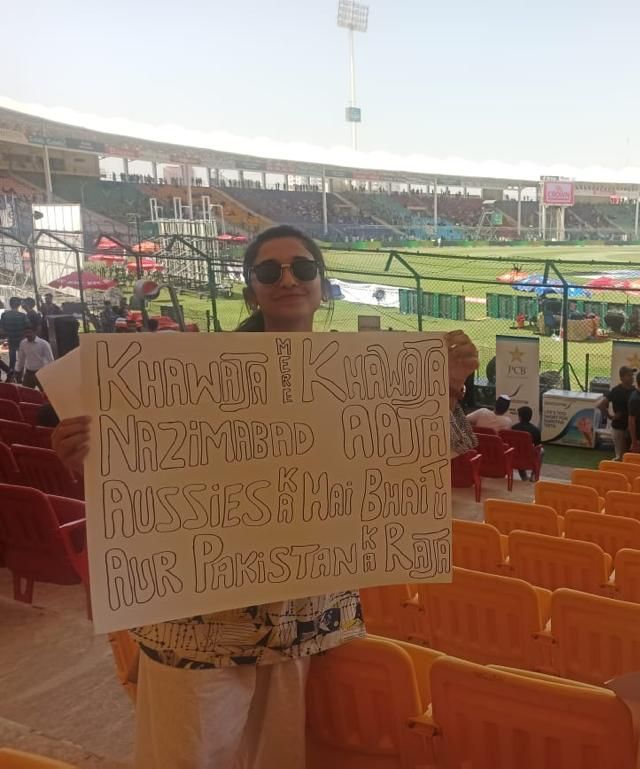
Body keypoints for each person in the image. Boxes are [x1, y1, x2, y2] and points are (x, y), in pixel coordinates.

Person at [51, 224, 479, 769]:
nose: (287, 280)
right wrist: (83, 455)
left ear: (322, 284)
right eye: (268, 271)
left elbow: (399, 468)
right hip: (197, 625)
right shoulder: (186, 370)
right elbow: (143, 476)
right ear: (251, 287)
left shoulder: (359, 374)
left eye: (302, 268)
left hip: (299, 618)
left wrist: (443, 390)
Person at [598, 366, 635, 460]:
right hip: (619, 427)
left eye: (632, 375)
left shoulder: (635, 391)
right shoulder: (616, 391)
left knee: (630, 455)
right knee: (621, 456)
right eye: (629, 375)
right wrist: (610, 417)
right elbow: (601, 405)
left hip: (631, 428)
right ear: (621, 377)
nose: (632, 377)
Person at [15, 325, 53, 389]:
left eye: (29, 332)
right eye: (26, 333)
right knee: (25, 393)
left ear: (35, 332)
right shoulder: (23, 343)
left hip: (41, 373)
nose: (28, 335)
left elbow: (51, 360)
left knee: (45, 393)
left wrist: (51, 373)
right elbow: (21, 359)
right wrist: (18, 370)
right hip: (29, 373)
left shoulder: (44, 344)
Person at [511, 405, 543, 480]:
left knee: (518, 450)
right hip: (529, 458)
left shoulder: (513, 428)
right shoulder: (535, 430)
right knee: (541, 451)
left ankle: (524, 476)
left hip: (515, 456)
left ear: (520, 417)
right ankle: (533, 476)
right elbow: (538, 446)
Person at [0, 296, 29, 378]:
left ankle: (11, 375)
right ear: (19, 305)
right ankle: (19, 377)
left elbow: (2, 329)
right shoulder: (23, 315)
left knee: (12, 359)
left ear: (10, 304)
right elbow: (28, 326)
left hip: (11, 339)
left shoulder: (4, 315)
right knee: (21, 359)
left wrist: (8, 334)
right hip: (21, 340)